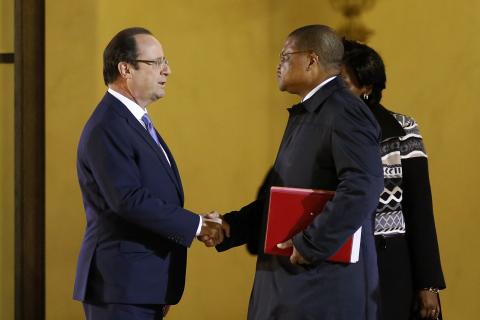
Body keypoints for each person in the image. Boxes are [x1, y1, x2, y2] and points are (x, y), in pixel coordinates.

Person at [202, 25, 385, 320]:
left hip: (321, 288)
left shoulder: (343, 110)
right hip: (292, 285)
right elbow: (286, 199)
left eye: (286, 56)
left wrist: (311, 244)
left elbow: (364, 184)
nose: (278, 65)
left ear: (312, 60)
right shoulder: (310, 113)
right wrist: (232, 226)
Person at [73, 27, 224, 320]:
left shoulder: (133, 121)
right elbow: (128, 200)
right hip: (120, 287)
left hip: (142, 286)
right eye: (156, 63)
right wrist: (197, 225)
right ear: (125, 69)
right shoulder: (109, 125)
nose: (167, 70)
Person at [341, 39, 446, 320]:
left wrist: (428, 283)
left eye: (343, 82)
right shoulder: (321, 131)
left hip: (390, 265)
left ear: (366, 87)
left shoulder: (403, 130)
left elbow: (420, 209)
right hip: (337, 266)